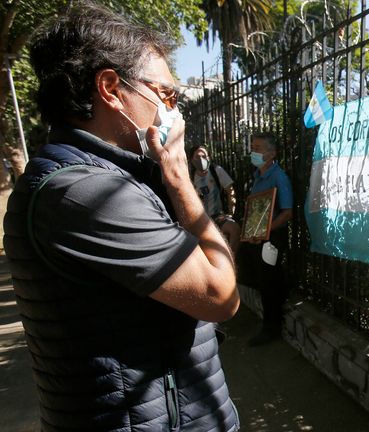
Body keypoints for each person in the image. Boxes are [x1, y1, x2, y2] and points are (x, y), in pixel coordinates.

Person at [3, 3, 240, 430]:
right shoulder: (87, 192)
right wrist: (180, 179)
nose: (173, 110)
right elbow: (220, 296)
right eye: (166, 95)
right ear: (111, 88)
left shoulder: (105, 178)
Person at [238, 132, 293, 345]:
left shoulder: (279, 177)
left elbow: (287, 213)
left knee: (269, 282)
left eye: (258, 148)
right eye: (253, 147)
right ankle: (271, 320)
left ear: (272, 154)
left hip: (272, 239)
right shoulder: (258, 176)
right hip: (257, 237)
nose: (254, 151)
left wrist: (264, 230)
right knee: (261, 279)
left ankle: (271, 328)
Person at [190, 144, 241, 255]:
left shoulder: (216, 171)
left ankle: (231, 261)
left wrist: (230, 214)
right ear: (191, 160)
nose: (201, 160)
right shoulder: (189, 177)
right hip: (198, 220)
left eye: (204, 156)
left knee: (235, 229)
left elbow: (230, 191)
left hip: (217, 216)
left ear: (209, 158)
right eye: (197, 157)